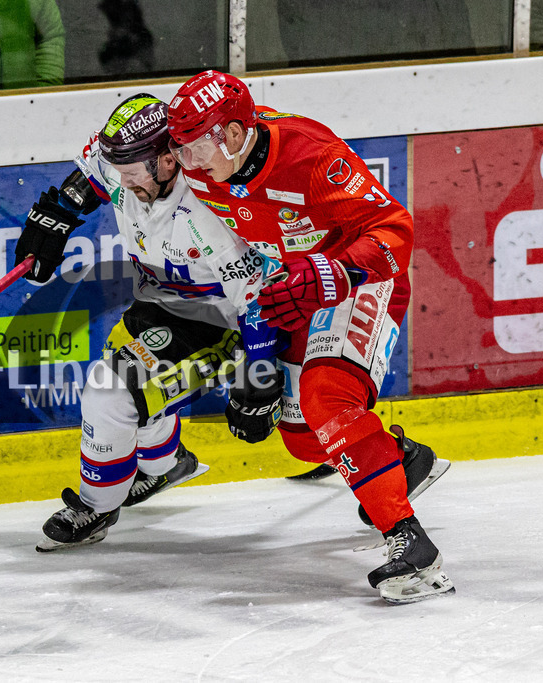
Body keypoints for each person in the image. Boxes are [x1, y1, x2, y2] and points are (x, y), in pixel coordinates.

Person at [166, 69, 453, 604]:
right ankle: (401, 459)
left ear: (232, 133)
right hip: (292, 289)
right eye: (180, 152)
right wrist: (259, 369)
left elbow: (397, 232)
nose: (188, 166)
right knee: (303, 442)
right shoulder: (204, 167)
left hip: (360, 279)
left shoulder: (312, 155)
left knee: (327, 396)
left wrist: (334, 273)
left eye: (195, 149)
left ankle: (411, 546)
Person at [14, 93, 289, 553]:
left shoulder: (208, 211)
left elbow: (256, 299)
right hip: (159, 305)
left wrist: (259, 376)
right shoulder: (130, 165)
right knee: (126, 390)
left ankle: (97, 506)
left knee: (110, 390)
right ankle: (167, 466)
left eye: (130, 173)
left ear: (167, 161)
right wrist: (56, 215)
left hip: (220, 324)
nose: (120, 183)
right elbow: (92, 176)